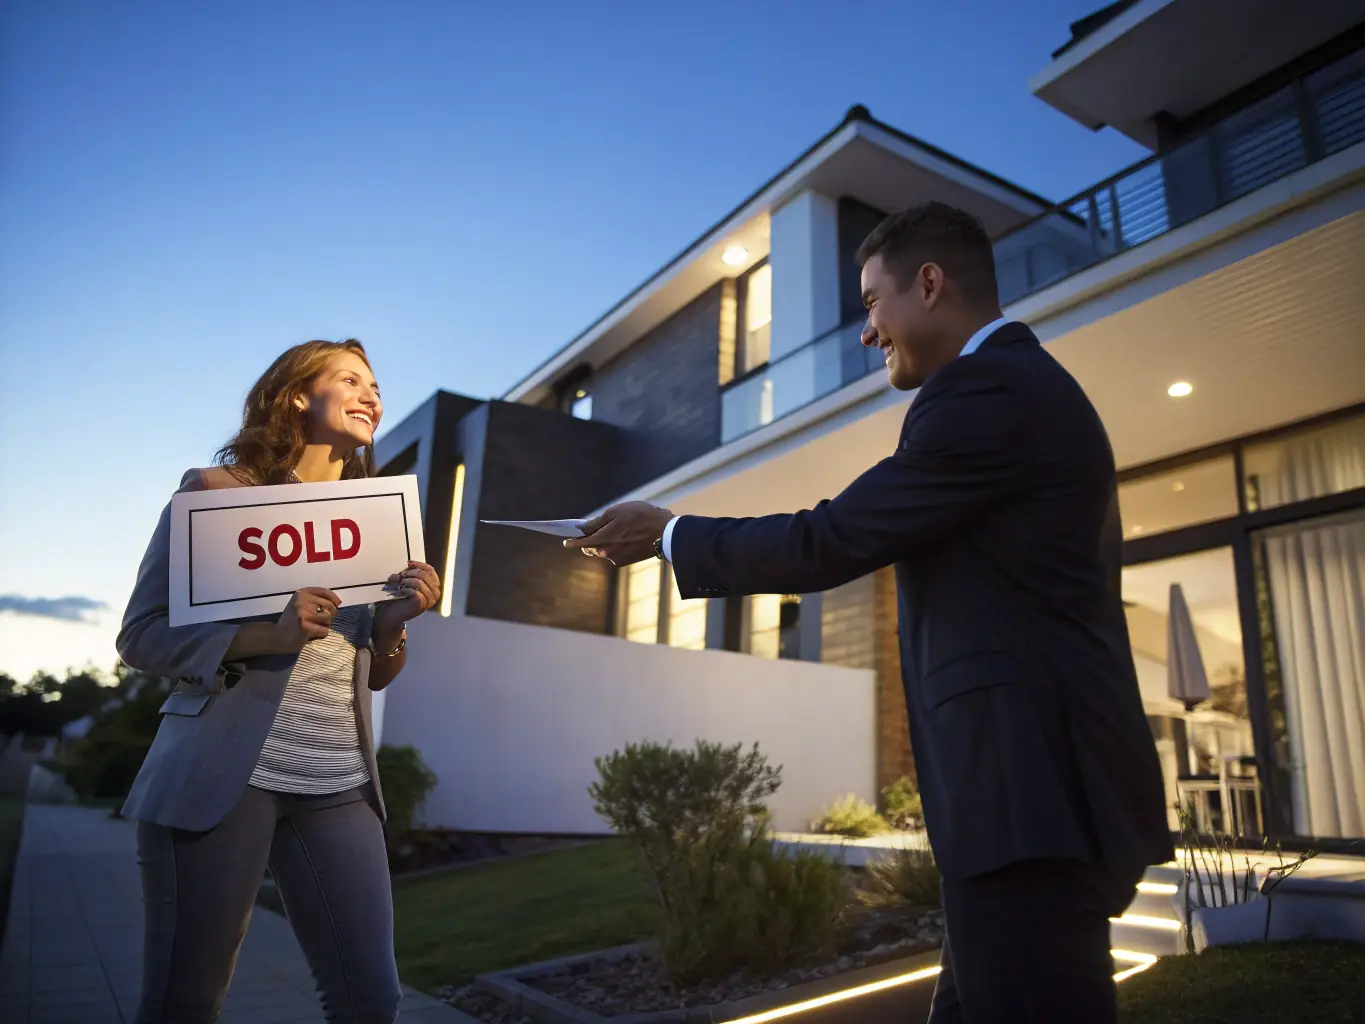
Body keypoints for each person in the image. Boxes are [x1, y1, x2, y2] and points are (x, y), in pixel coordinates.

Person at [566, 202, 1174, 1023]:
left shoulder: (987, 388)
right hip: (1018, 798)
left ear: (929, 284)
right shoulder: (1011, 387)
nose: (865, 332)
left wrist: (670, 534)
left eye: (869, 302)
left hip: (1026, 796)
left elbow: (833, 538)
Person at [117, 339, 441, 1024]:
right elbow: (140, 635)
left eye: (377, 386)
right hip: (220, 780)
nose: (371, 396)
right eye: (350, 379)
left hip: (338, 783)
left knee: (371, 1000)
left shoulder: (376, 521)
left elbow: (376, 676)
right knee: (186, 1003)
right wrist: (269, 635)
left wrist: (392, 624)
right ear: (297, 395)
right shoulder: (216, 494)